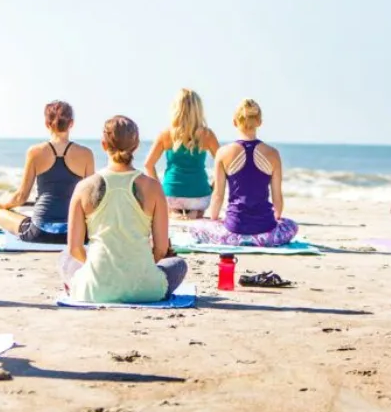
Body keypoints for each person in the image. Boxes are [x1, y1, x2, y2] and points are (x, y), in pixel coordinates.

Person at [62, 116, 188, 304]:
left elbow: (74, 248)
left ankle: (77, 284)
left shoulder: (84, 187)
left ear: (104, 144)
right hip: (146, 290)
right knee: (178, 264)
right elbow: (161, 249)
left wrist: (97, 269)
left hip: (94, 291)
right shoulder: (152, 187)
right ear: (136, 145)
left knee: (65, 257)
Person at [189, 99, 298, 247]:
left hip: (234, 229)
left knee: (195, 227)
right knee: (292, 225)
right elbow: (277, 196)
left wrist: (214, 221)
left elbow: (218, 195)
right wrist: (277, 219)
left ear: (234, 122)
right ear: (259, 122)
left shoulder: (223, 153)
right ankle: (260, 239)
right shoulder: (273, 154)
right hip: (265, 229)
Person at [0, 101, 95, 245]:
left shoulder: (35, 152)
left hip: (39, 232)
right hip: (74, 234)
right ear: (71, 123)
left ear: (47, 124)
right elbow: (89, 200)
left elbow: (21, 197)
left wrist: (1, 204)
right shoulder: (86, 154)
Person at [144, 89, 220, 218]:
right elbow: (224, 165)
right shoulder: (207, 135)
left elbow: (148, 165)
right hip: (200, 197)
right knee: (198, 207)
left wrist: (160, 191)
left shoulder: (166, 134)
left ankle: (176, 213)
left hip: (171, 196)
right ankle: (195, 213)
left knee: (171, 211)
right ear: (198, 110)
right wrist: (213, 188)